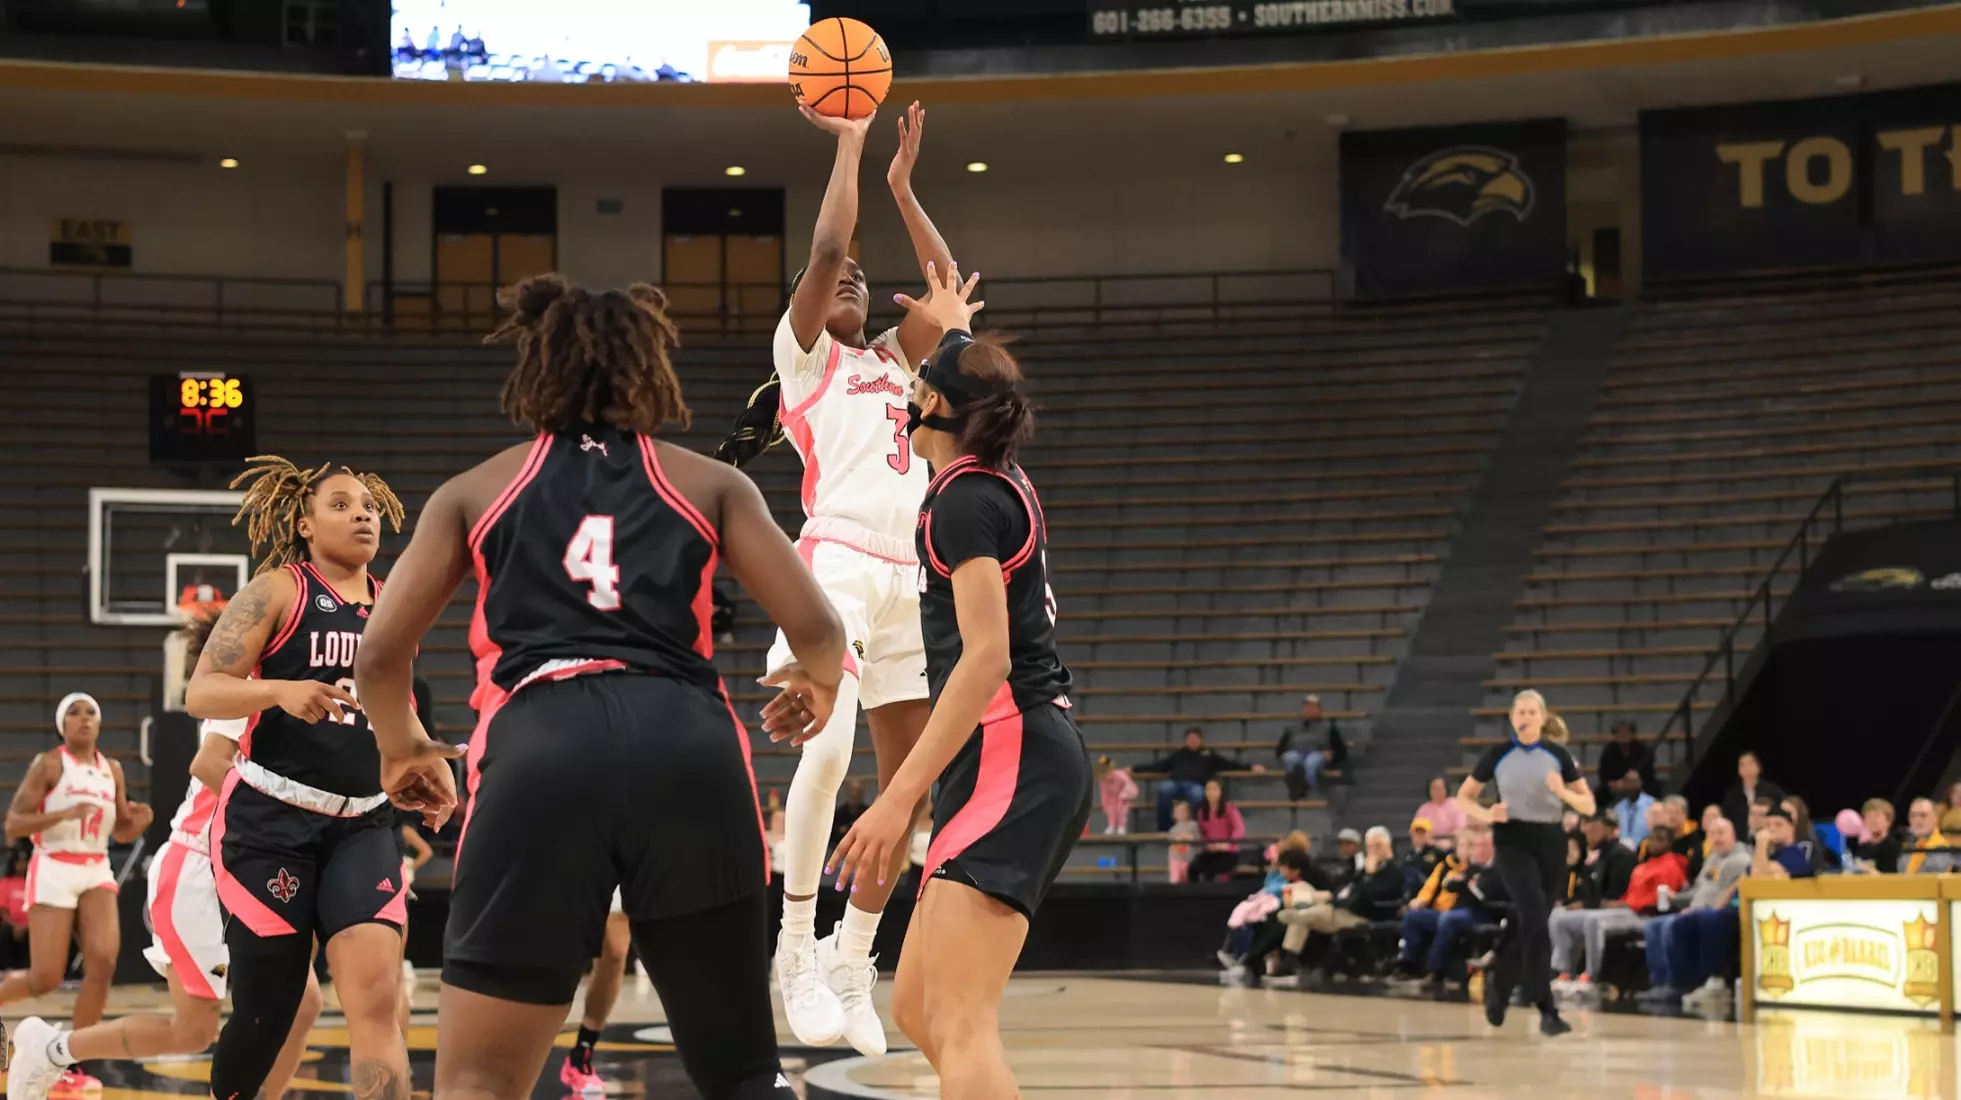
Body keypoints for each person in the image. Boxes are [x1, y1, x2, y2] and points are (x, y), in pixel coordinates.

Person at [352, 275, 848, 1100]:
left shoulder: (475, 489)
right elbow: (822, 631)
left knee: (478, 1079)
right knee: (742, 1076)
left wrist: (402, 748)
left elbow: (377, 659)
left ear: (536, 370)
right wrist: (815, 683)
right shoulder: (710, 484)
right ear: (646, 369)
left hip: (541, 744)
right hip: (686, 742)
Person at [712, 101, 957, 1055]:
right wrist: (853, 147)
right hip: (837, 565)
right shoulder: (806, 361)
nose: (852, 274)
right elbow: (824, 247)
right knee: (824, 756)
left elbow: (944, 289)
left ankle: (854, 956)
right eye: (837, 278)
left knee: (908, 792)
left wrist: (903, 186)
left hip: (913, 580)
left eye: (863, 273)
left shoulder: (896, 362)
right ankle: (794, 951)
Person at [823, 275, 1093, 1100]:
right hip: (999, 762)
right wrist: (951, 326)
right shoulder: (973, 481)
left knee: (962, 1020)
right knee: (916, 1009)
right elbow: (962, 367)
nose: (905, 388)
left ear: (939, 408)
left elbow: (984, 661)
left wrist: (895, 799)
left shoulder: (966, 501)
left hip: (1016, 754)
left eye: (918, 383)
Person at [173, 456, 410, 1100]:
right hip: (269, 822)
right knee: (268, 1011)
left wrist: (424, 763)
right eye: (340, 504)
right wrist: (280, 690)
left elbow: (396, 703)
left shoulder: (395, 603)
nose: (361, 512)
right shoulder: (278, 589)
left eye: (366, 503)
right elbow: (201, 692)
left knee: (379, 1000)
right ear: (304, 524)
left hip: (363, 821)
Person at [8, 714, 320, 1100]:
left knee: (304, 1003)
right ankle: (52, 1050)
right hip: (198, 870)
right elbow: (208, 764)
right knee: (192, 1031)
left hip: (257, 871)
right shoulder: (247, 693)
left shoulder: (320, 698)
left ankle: (51, 1048)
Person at [0, 692, 155, 1092]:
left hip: (94, 866)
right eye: (74, 712)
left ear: (100, 725)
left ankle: (69, 1060)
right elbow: (14, 823)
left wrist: (136, 822)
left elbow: (118, 829)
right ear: (62, 724)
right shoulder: (49, 764)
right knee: (44, 978)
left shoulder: (112, 770)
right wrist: (63, 813)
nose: (84, 719)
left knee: (103, 961)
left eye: (91, 713)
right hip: (52, 864)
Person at [1455, 689, 1595, 1036]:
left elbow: (1588, 806)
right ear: (1512, 717)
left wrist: (1562, 793)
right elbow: (1463, 798)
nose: (1526, 717)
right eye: (1520, 711)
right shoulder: (1498, 754)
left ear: (1543, 717)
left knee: (1528, 919)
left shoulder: (1557, 754)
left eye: (1532, 712)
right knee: (1532, 913)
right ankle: (1546, 1008)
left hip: (1550, 842)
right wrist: (1487, 813)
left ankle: (1499, 985)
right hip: (1512, 839)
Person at [1547, 823, 1685, 996]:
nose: (1654, 843)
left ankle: (1590, 976)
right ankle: (1564, 972)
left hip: (1644, 915)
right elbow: (1630, 894)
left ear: (1670, 843)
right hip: (1626, 910)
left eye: (1660, 840)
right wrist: (1615, 903)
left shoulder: (1671, 866)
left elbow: (1662, 900)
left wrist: (1627, 904)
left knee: (1593, 921)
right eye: (1652, 838)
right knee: (1560, 918)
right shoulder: (1643, 866)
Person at [1636, 816, 1752, 1006]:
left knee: (1669, 927)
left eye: (1721, 833)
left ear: (1733, 834)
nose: (1716, 838)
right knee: (1652, 926)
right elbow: (1699, 890)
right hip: (1693, 910)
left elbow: (1726, 896)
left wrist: (1694, 910)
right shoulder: (1713, 858)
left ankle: (1677, 983)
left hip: (1713, 913)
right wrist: (1676, 898)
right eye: (1712, 834)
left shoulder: (1740, 860)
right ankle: (1660, 981)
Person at [1394, 826, 1498, 989]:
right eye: (1475, 845)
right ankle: (1408, 965)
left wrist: (1466, 884)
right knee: (1413, 917)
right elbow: (1450, 884)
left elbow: (1486, 893)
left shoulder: (1496, 868)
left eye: (1478, 845)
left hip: (1479, 912)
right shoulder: (1462, 867)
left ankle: (1436, 970)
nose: (1476, 849)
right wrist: (1460, 883)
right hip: (1456, 911)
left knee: (1448, 918)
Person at [1135, 728, 1258, 832]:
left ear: (1200, 740)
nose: (1192, 740)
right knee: (1163, 788)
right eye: (1190, 738)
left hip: (1196, 784)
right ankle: (1165, 827)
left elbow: (1229, 764)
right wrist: (1135, 769)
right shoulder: (1179, 754)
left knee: (1197, 794)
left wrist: (1250, 767)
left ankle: (1193, 829)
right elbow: (1159, 766)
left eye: (1195, 738)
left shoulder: (1209, 755)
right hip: (1176, 783)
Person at [1188, 779, 1247, 881]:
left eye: (1214, 789)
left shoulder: (1229, 808)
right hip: (1210, 851)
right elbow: (1201, 832)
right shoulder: (1202, 811)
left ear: (1221, 791)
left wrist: (1227, 844)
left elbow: (1239, 828)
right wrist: (1207, 845)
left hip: (1228, 851)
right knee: (1193, 868)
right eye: (1208, 789)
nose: (1211, 792)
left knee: (1211, 869)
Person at [1720, 751, 1784, 834]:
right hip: (1741, 840)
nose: (1746, 768)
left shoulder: (1772, 791)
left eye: (1750, 763)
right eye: (1742, 765)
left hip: (1769, 834)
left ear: (1758, 767)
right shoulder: (1733, 796)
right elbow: (1726, 819)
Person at [1595, 720, 1657, 798]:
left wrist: (1634, 781)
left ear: (1632, 734)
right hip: (1618, 786)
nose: (1623, 735)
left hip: (1640, 785)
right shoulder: (1609, 751)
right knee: (1600, 793)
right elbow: (1604, 776)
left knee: (1656, 788)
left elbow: (1649, 775)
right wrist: (1617, 784)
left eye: (1626, 732)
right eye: (1619, 732)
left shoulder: (1643, 749)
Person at [1780, 795, 1839, 874]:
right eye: (1780, 813)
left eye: (1788, 813)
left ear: (1799, 816)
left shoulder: (1808, 845)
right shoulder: (1769, 842)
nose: (1782, 817)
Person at [1900, 797, 1954, 873]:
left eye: (1923, 815)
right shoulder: (1908, 846)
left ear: (1936, 818)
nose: (1917, 820)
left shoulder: (1941, 848)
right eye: (1913, 815)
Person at [1848, 798, 1902, 873]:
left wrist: (1869, 870)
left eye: (1877, 816)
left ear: (1888, 820)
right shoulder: (1862, 848)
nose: (1872, 820)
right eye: (1868, 816)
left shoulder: (1894, 847)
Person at [1606, 772, 1656, 852]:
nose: (1630, 785)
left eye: (1633, 781)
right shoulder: (1618, 808)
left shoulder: (1653, 806)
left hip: (1645, 851)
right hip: (1621, 853)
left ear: (1640, 783)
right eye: (1627, 782)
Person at [1414, 777, 1466, 842]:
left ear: (1446, 789)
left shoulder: (1457, 805)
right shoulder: (1423, 809)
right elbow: (1417, 832)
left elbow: (1461, 828)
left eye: (1440, 788)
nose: (1437, 791)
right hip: (1429, 844)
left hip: (1452, 843)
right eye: (1434, 789)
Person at [1402, 817, 1443, 898]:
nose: (1419, 836)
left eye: (1422, 833)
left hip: (1429, 889)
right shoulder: (1409, 854)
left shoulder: (1436, 852)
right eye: (1416, 833)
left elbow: (1430, 868)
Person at [1096, 756, 1137, 835]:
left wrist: (1123, 795)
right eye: (1102, 775)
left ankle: (1122, 826)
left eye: (1105, 773)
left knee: (1120, 806)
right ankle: (1111, 825)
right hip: (1113, 799)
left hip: (1125, 799)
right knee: (1111, 807)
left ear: (1111, 770)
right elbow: (1104, 793)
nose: (1104, 777)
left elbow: (1131, 786)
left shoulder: (1120, 775)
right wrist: (1105, 804)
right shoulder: (1103, 781)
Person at [1166, 801, 1200, 884]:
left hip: (1189, 859)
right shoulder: (1172, 829)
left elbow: (1198, 839)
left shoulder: (1193, 825)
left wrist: (1190, 838)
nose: (1180, 814)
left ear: (1188, 812)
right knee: (1175, 879)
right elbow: (1171, 844)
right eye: (1177, 812)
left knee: (1188, 879)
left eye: (1183, 811)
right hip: (1176, 858)